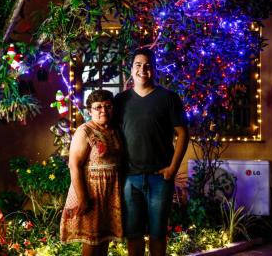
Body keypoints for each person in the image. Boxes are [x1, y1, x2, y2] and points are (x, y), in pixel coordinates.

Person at [115, 48, 189, 256]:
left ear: (154, 69)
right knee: (134, 235)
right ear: (131, 69)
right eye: (138, 65)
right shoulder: (120, 101)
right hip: (130, 178)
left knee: (158, 235)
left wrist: (173, 169)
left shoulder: (168, 98)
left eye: (147, 65)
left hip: (160, 178)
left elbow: (183, 133)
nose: (142, 69)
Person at [60, 89, 123, 256]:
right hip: (91, 191)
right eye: (98, 107)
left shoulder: (114, 129)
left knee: (104, 240)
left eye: (108, 106)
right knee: (92, 241)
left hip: (110, 192)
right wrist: (82, 198)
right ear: (90, 110)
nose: (103, 110)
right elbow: (74, 165)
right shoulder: (84, 131)